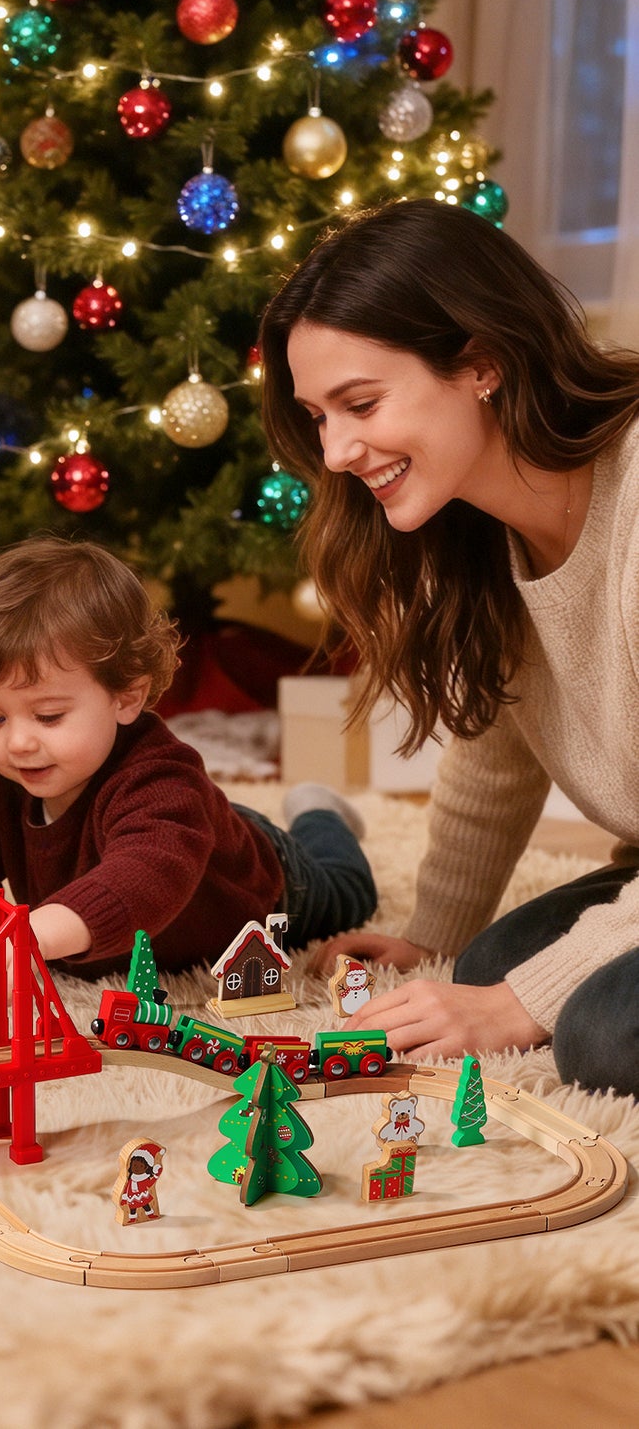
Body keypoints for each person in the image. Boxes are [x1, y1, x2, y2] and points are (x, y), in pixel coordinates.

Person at [259, 196, 639, 1094]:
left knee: (599, 1033)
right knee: (479, 969)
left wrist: (516, 1007)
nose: (338, 449)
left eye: (359, 403)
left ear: (481, 364)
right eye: (318, 415)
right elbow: (495, 753)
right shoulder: (475, 529)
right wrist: (436, 932)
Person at [0, 538, 376, 988]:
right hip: (197, 828)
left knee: (352, 891)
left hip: (273, 884)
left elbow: (142, 875)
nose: (17, 742)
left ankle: (319, 811)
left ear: (127, 697)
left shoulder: (161, 776)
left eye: (48, 715)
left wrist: (32, 936)